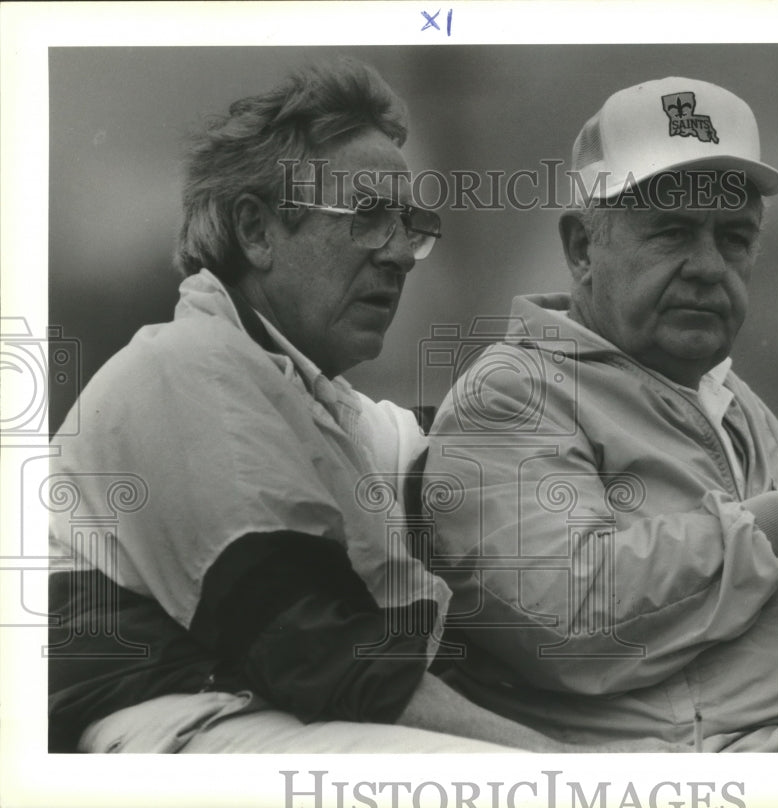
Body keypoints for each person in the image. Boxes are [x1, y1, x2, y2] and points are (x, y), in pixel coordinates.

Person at [46, 60, 678, 754]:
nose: (403, 255)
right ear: (256, 231)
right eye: (370, 218)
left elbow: (486, 449)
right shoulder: (179, 367)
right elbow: (320, 654)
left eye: (410, 225)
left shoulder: (311, 402)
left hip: (260, 712)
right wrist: (559, 763)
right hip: (161, 722)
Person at [422, 76, 778, 752]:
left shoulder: (730, 403)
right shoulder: (512, 395)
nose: (710, 267)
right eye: (672, 232)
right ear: (581, 249)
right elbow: (569, 620)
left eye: (735, 238)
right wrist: (774, 521)